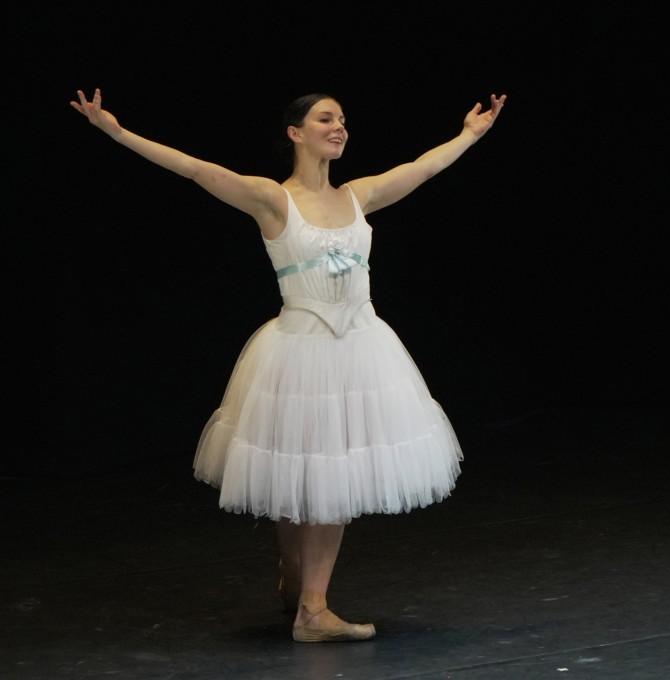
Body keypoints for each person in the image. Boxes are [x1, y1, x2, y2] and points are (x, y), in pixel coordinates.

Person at [70, 87, 506, 642]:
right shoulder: (272, 199)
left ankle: (304, 594)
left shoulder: (358, 195)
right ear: (296, 132)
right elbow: (195, 169)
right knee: (306, 474)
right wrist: (115, 131)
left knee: (323, 476)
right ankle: (308, 602)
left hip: (359, 348)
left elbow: (420, 169)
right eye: (326, 118)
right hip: (301, 351)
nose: (340, 126)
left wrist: (470, 134)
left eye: (344, 119)